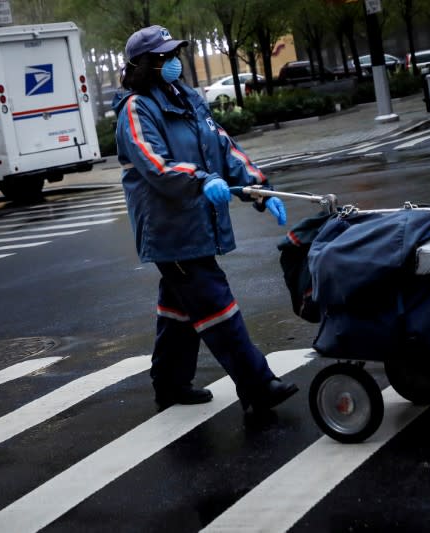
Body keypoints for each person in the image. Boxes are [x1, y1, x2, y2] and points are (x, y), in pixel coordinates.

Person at [113, 25, 298, 413]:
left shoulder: (187, 99)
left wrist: (259, 189)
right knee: (216, 305)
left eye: (174, 55)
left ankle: (170, 384)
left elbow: (224, 146)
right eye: (164, 57)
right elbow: (155, 165)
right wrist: (202, 180)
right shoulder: (136, 109)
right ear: (147, 65)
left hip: (197, 221)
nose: (174, 63)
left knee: (180, 309)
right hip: (170, 231)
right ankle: (257, 386)